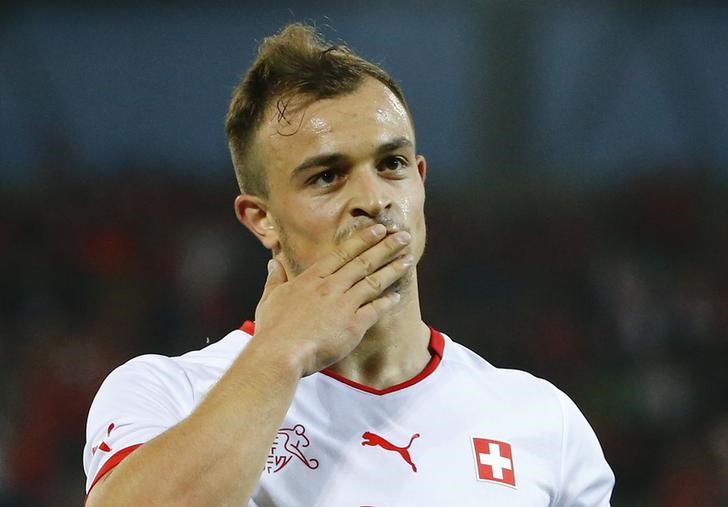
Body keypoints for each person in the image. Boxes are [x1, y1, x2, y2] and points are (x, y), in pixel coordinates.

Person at [83, 23, 614, 506]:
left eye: (392, 164)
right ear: (261, 219)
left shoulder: (542, 422)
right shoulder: (169, 394)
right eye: (327, 177)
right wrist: (280, 352)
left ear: (421, 179)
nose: (374, 197)